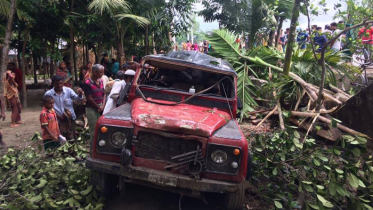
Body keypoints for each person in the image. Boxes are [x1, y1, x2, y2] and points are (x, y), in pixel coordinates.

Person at [45, 75, 83, 139]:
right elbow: (47, 109)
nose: (59, 85)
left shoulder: (68, 90)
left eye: (61, 83)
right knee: (60, 139)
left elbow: (77, 100)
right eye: (57, 84)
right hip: (56, 120)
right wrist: (58, 116)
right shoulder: (48, 94)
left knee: (72, 138)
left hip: (70, 119)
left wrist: (80, 94)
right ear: (53, 84)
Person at [82, 64, 106, 136]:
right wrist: (98, 108)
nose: (103, 74)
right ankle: (93, 147)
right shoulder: (87, 83)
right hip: (92, 108)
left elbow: (104, 94)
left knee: (102, 128)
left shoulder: (101, 81)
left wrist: (103, 105)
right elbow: (89, 98)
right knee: (94, 131)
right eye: (101, 72)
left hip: (101, 107)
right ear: (95, 72)